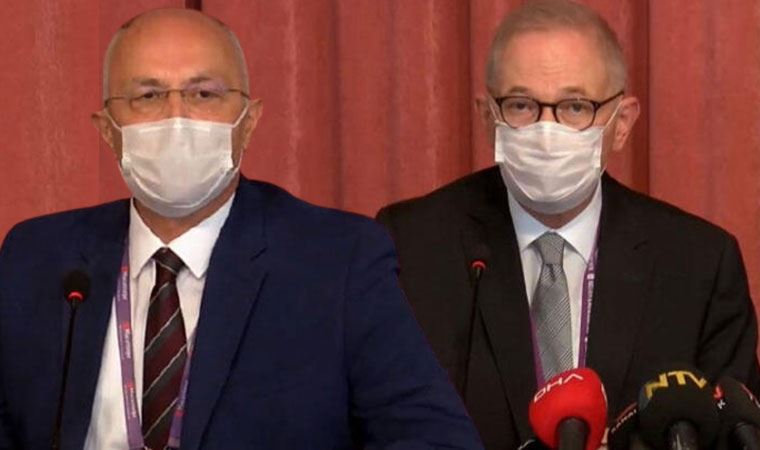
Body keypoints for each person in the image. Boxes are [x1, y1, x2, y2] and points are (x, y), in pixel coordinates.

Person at [0, 8, 483, 450]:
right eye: (148, 96)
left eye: (204, 94)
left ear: (248, 122)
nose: (177, 117)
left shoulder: (337, 261)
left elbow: (437, 440)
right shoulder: (38, 258)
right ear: (108, 129)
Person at [376, 0, 760, 448]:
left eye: (576, 107)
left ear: (622, 123)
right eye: (521, 105)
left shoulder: (698, 264)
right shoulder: (412, 245)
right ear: (488, 118)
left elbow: (733, 430)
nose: (547, 131)